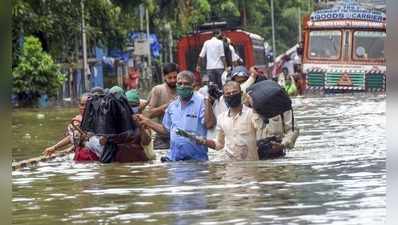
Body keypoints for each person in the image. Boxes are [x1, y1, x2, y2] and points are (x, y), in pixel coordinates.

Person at [136, 70, 216, 161]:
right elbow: (166, 130)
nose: (182, 86)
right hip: (174, 160)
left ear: (193, 85)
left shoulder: (202, 102)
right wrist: (146, 121)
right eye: (180, 83)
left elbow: (209, 124)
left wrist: (208, 102)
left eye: (186, 84)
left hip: (196, 160)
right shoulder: (172, 105)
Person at [200, 81, 259, 161]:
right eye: (228, 94)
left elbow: (259, 128)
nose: (231, 95)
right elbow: (219, 145)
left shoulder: (251, 114)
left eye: (234, 92)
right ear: (224, 97)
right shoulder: (221, 118)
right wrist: (203, 141)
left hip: (250, 167)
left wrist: (253, 104)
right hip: (230, 168)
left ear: (241, 94)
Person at [42, 93, 100, 161]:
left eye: (87, 105)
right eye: (82, 105)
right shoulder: (76, 120)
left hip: (92, 156)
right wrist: (54, 147)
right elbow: (71, 137)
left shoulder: (98, 120)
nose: (84, 108)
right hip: (80, 156)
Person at [147, 62, 178, 149]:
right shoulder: (158, 90)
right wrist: (165, 107)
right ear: (164, 77)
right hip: (162, 137)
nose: (173, 80)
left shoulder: (182, 90)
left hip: (180, 136)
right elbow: (149, 114)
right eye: (170, 78)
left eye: (175, 77)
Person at [125, 89, 156, 161]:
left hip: (147, 160)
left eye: (134, 105)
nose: (132, 108)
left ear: (138, 105)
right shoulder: (124, 119)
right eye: (130, 105)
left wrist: (140, 126)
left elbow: (146, 141)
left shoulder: (143, 120)